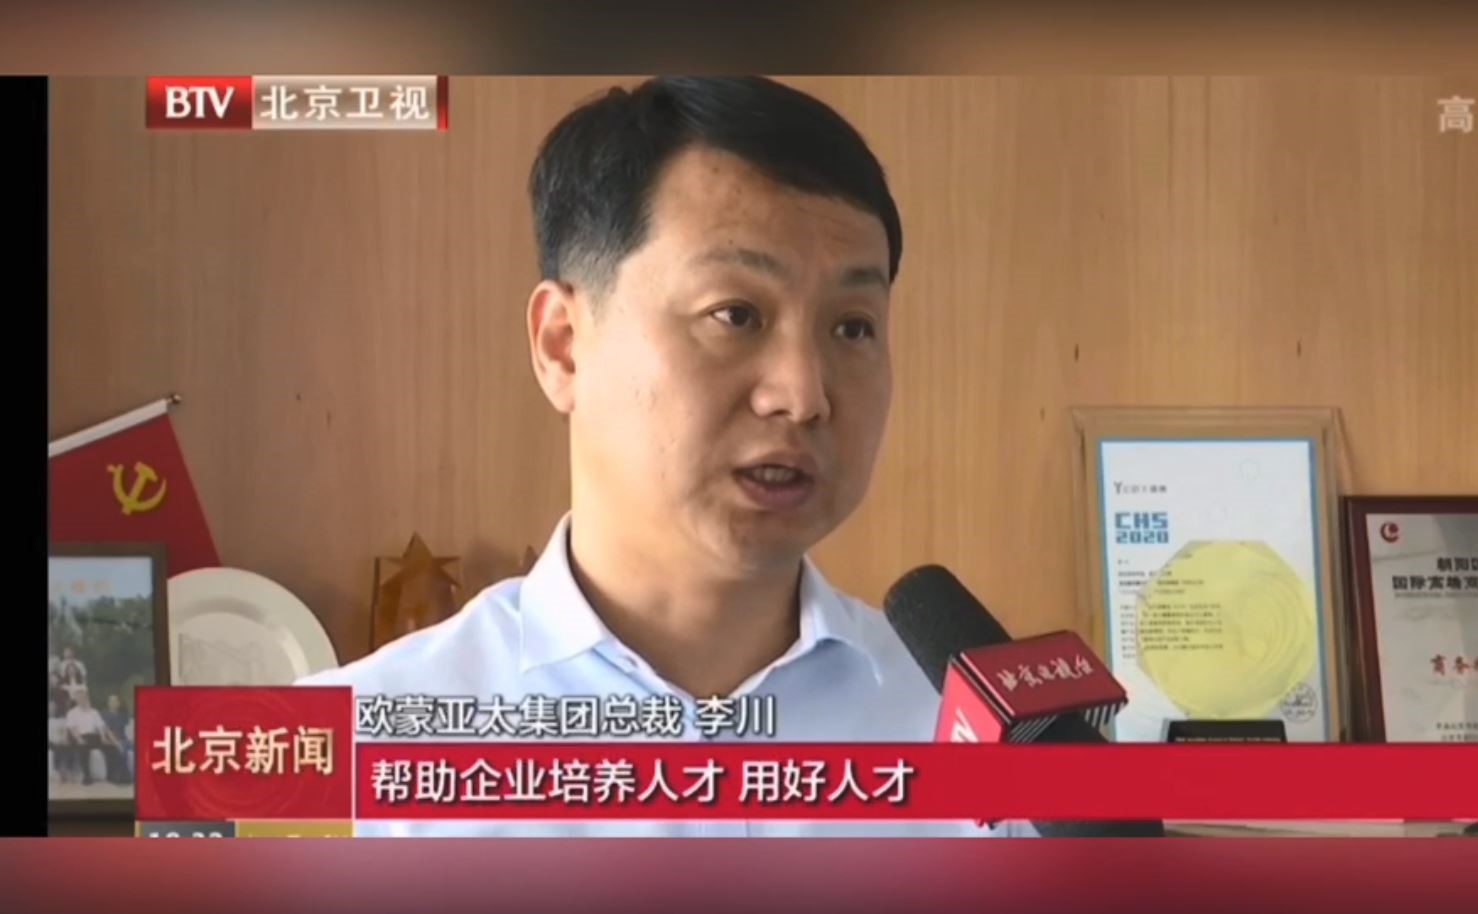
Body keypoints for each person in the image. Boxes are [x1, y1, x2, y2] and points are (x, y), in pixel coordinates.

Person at [301, 77, 1033, 838]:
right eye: (735, 314)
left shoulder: (982, 745)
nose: (802, 395)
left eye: (853, 327)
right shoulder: (339, 762)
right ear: (563, 346)